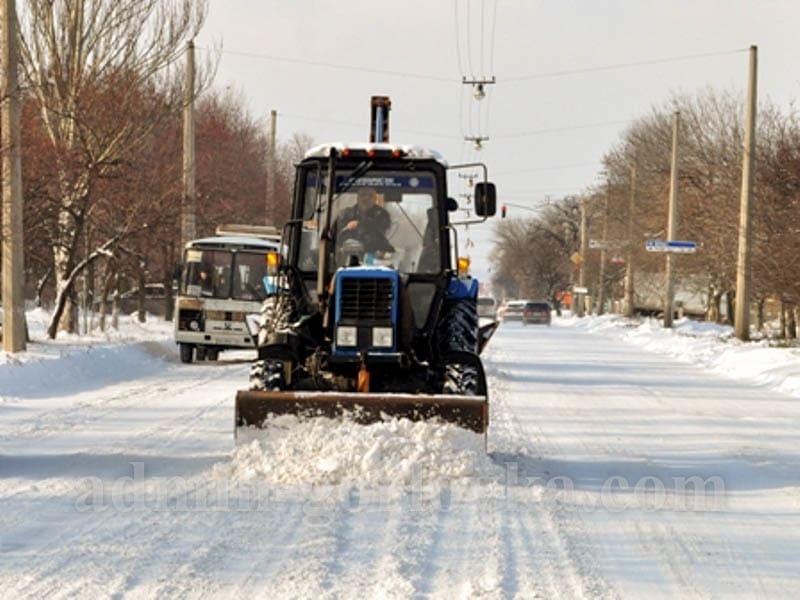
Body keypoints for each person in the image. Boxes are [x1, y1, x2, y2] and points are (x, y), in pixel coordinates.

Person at [336, 187, 394, 256]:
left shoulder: (382, 214)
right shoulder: (345, 214)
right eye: (363, 195)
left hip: (376, 255)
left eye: (370, 196)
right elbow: (337, 236)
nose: (366, 198)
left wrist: (359, 225)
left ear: (375, 199)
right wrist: (347, 228)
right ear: (357, 198)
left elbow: (380, 231)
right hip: (349, 255)